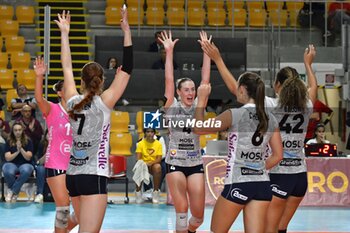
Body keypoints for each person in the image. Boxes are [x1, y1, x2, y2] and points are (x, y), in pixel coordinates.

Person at [200, 40, 317, 233]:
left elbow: (236, 90)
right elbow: (313, 88)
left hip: (279, 174)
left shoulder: (272, 105)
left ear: (278, 85)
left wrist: (218, 60)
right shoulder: (307, 105)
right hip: (300, 176)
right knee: (281, 228)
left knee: (268, 229)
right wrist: (308, 65)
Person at [56, 7, 132, 233]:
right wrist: (126, 30)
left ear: (82, 81)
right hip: (94, 175)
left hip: (73, 177)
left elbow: (66, 66)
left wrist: (64, 33)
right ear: (101, 81)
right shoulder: (104, 102)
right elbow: (128, 68)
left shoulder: (70, 100)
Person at [194, 73, 283, 233]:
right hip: (262, 184)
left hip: (238, 182)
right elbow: (278, 155)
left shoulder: (234, 114)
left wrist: (201, 99)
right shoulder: (271, 118)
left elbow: (199, 128)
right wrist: (259, 168)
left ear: (242, 89)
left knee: (217, 230)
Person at [159, 30, 211, 233]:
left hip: (195, 162)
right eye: (186, 89)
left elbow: (205, 81)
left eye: (192, 89)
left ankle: (190, 230)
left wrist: (206, 51)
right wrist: (169, 52)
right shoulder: (171, 105)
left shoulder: (199, 103)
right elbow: (169, 79)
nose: (191, 92)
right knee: (182, 209)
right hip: (175, 162)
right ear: (179, 93)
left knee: (198, 217)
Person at [34, 57, 78, 232]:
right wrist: (39, 77)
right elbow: (38, 98)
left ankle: (61, 231)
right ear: (60, 93)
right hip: (57, 164)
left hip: (77, 166)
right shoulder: (52, 109)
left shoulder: (80, 112)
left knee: (83, 211)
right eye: (66, 88)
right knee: (63, 206)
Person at [2, 122, 34, 203]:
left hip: (25, 164)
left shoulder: (28, 141)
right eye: (15, 130)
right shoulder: (9, 141)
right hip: (12, 163)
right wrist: (17, 151)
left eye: (19, 130)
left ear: (22, 130)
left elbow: (28, 157)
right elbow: (8, 158)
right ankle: (15, 192)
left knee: (27, 170)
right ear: (13, 131)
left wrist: (21, 149)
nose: (18, 132)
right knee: (6, 170)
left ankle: (12, 192)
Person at [134, 127, 162, 204]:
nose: (150, 134)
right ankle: (138, 193)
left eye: (152, 132)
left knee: (158, 167)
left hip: (153, 164)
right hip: (143, 164)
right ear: (145, 133)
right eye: (148, 132)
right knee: (139, 166)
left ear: (154, 133)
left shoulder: (158, 144)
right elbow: (138, 158)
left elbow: (159, 159)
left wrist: (151, 163)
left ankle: (155, 193)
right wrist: (145, 163)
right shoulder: (140, 143)